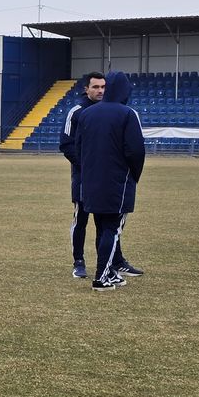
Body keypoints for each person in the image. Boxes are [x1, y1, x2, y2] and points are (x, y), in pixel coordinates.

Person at [60, 72, 142, 280]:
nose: (100, 91)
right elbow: (68, 145)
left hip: (104, 175)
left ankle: (114, 262)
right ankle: (79, 261)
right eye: (95, 87)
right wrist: (88, 166)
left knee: (105, 221)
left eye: (103, 87)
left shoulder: (113, 111)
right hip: (84, 176)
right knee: (82, 219)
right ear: (86, 89)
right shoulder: (78, 112)